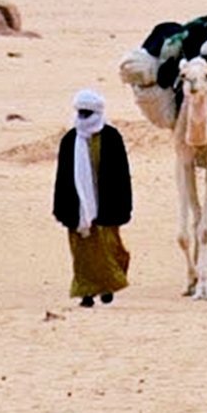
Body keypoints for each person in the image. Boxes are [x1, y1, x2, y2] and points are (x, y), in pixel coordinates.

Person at [52, 87, 133, 305]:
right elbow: (63, 178)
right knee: (83, 254)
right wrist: (62, 208)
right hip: (78, 209)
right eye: (81, 113)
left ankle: (108, 286)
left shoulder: (111, 138)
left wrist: (123, 206)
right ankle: (86, 294)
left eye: (88, 113)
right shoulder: (70, 140)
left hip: (107, 206)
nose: (83, 118)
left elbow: (121, 175)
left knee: (112, 249)